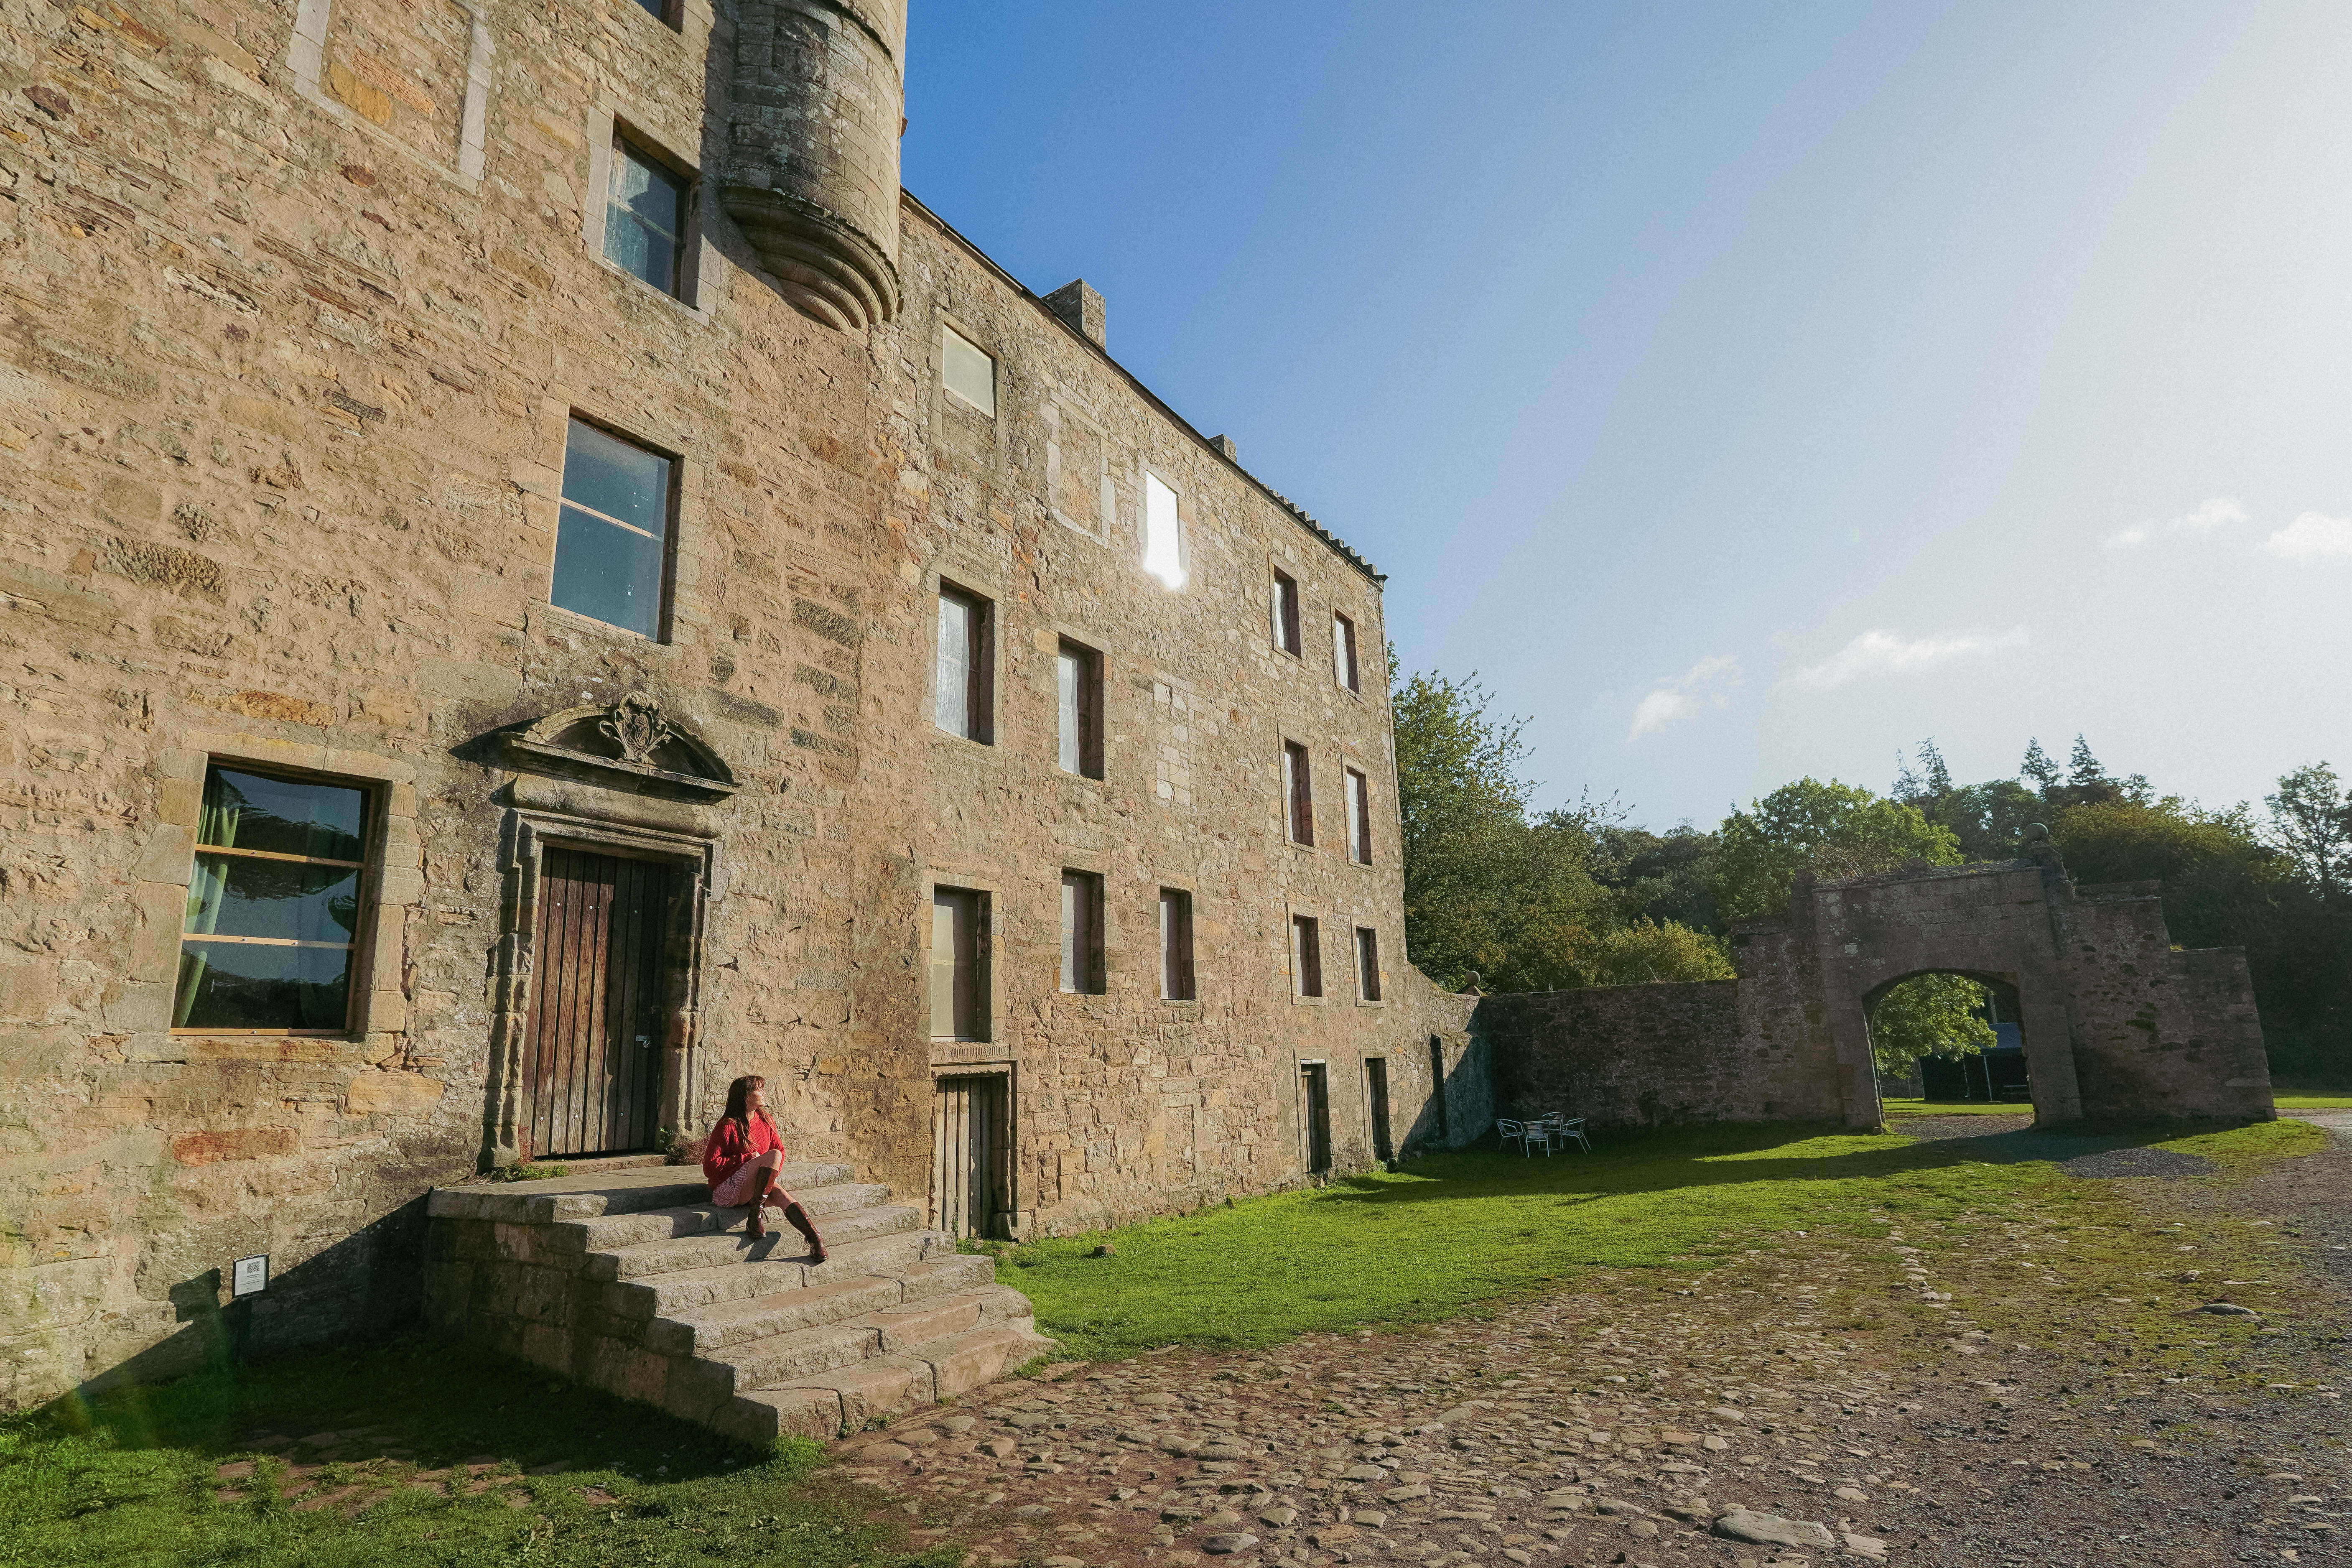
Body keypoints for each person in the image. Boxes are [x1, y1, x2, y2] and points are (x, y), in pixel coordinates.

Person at [702, 1074, 827, 1261]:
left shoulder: (766, 1120)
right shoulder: (728, 1125)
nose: (764, 1093)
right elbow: (710, 1167)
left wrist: (768, 1174)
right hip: (727, 1190)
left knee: (782, 1194)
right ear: (746, 1096)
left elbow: (781, 1151)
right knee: (773, 1155)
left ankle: (815, 1240)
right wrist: (748, 1159)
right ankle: (755, 1217)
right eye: (759, 1090)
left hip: (755, 1190)